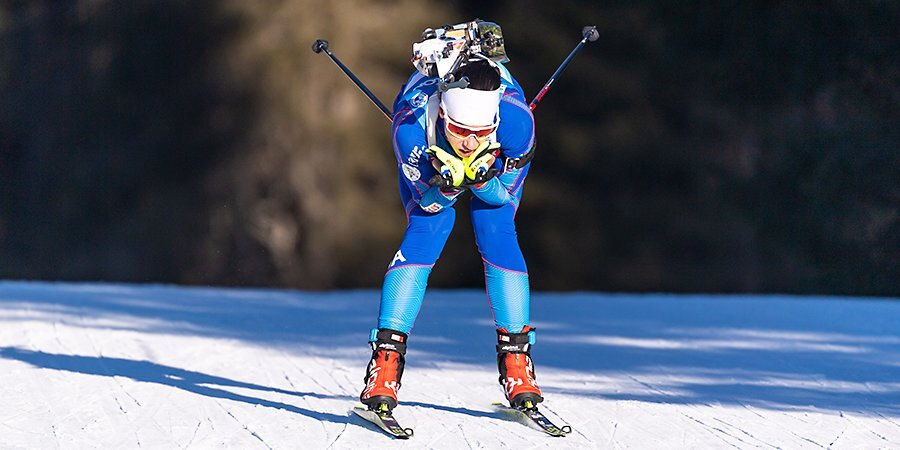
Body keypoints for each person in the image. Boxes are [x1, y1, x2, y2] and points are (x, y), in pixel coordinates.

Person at [359, 54, 542, 413]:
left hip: (497, 160)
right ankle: (385, 364)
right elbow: (429, 206)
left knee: (496, 227)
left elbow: (503, 197)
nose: (470, 144)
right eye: (460, 131)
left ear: (493, 123)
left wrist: (485, 180)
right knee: (428, 230)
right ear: (443, 114)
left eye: (480, 133)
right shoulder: (410, 130)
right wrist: (443, 188)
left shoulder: (517, 125)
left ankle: (517, 363)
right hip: (429, 154)